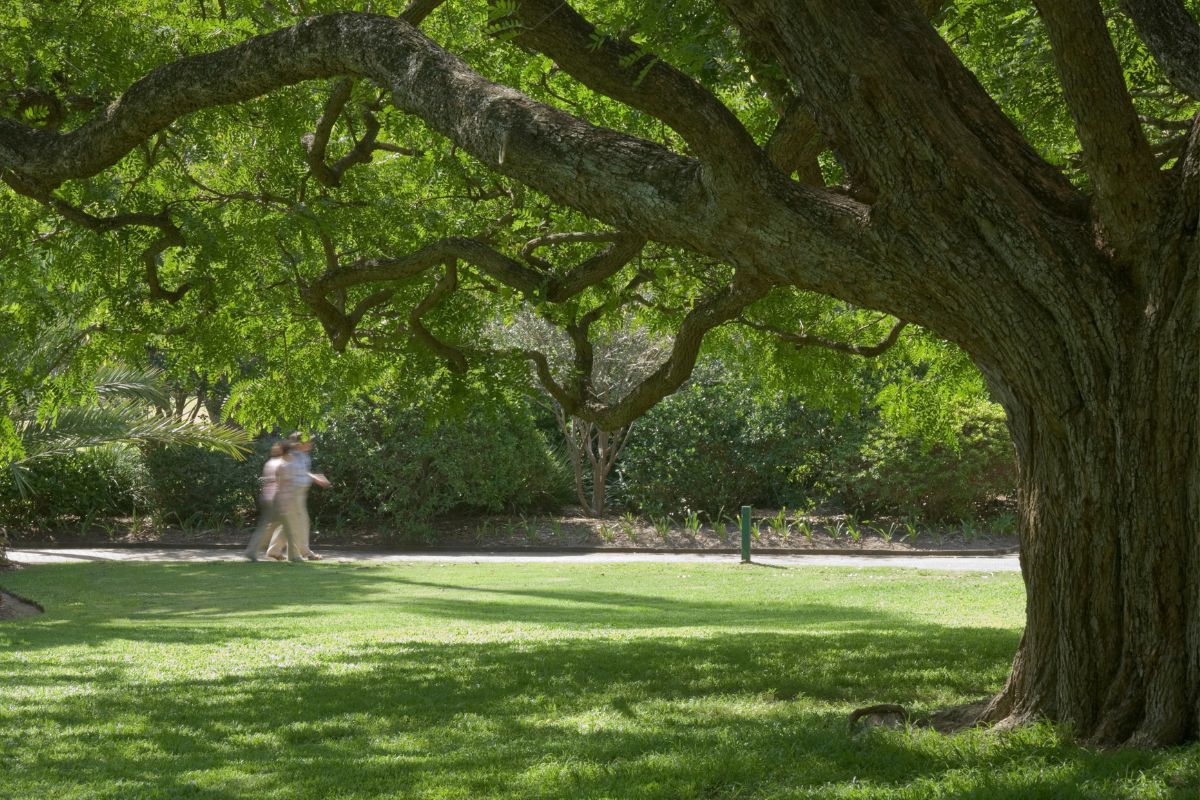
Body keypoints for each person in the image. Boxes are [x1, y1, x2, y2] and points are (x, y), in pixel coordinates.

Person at [265, 432, 330, 561]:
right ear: (299, 443)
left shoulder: (303, 456)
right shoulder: (291, 456)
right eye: (308, 441)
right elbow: (288, 473)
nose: (311, 444)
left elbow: (303, 472)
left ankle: (274, 550)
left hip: (300, 492)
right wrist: (315, 479)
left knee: (289, 523)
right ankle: (303, 552)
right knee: (300, 523)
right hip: (293, 492)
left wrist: (315, 477)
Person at [243, 441, 290, 561]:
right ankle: (255, 551)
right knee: (287, 525)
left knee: (268, 527)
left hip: (267, 497)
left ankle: (261, 551)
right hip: (276, 499)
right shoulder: (282, 464)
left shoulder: (271, 462)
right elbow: (281, 483)